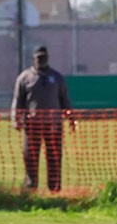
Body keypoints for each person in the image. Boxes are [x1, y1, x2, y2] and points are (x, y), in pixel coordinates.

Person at [11, 45, 75, 192]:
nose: (41, 60)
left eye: (44, 57)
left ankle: (54, 187)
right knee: (30, 156)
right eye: (39, 58)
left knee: (54, 155)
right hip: (32, 124)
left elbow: (64, 99)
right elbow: (17, 100)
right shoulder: (25, 77)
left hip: (54, 123)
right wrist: (16, 119)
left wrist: (71, 117)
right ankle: (30, 186)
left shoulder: (57, 77)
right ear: (34, 58)